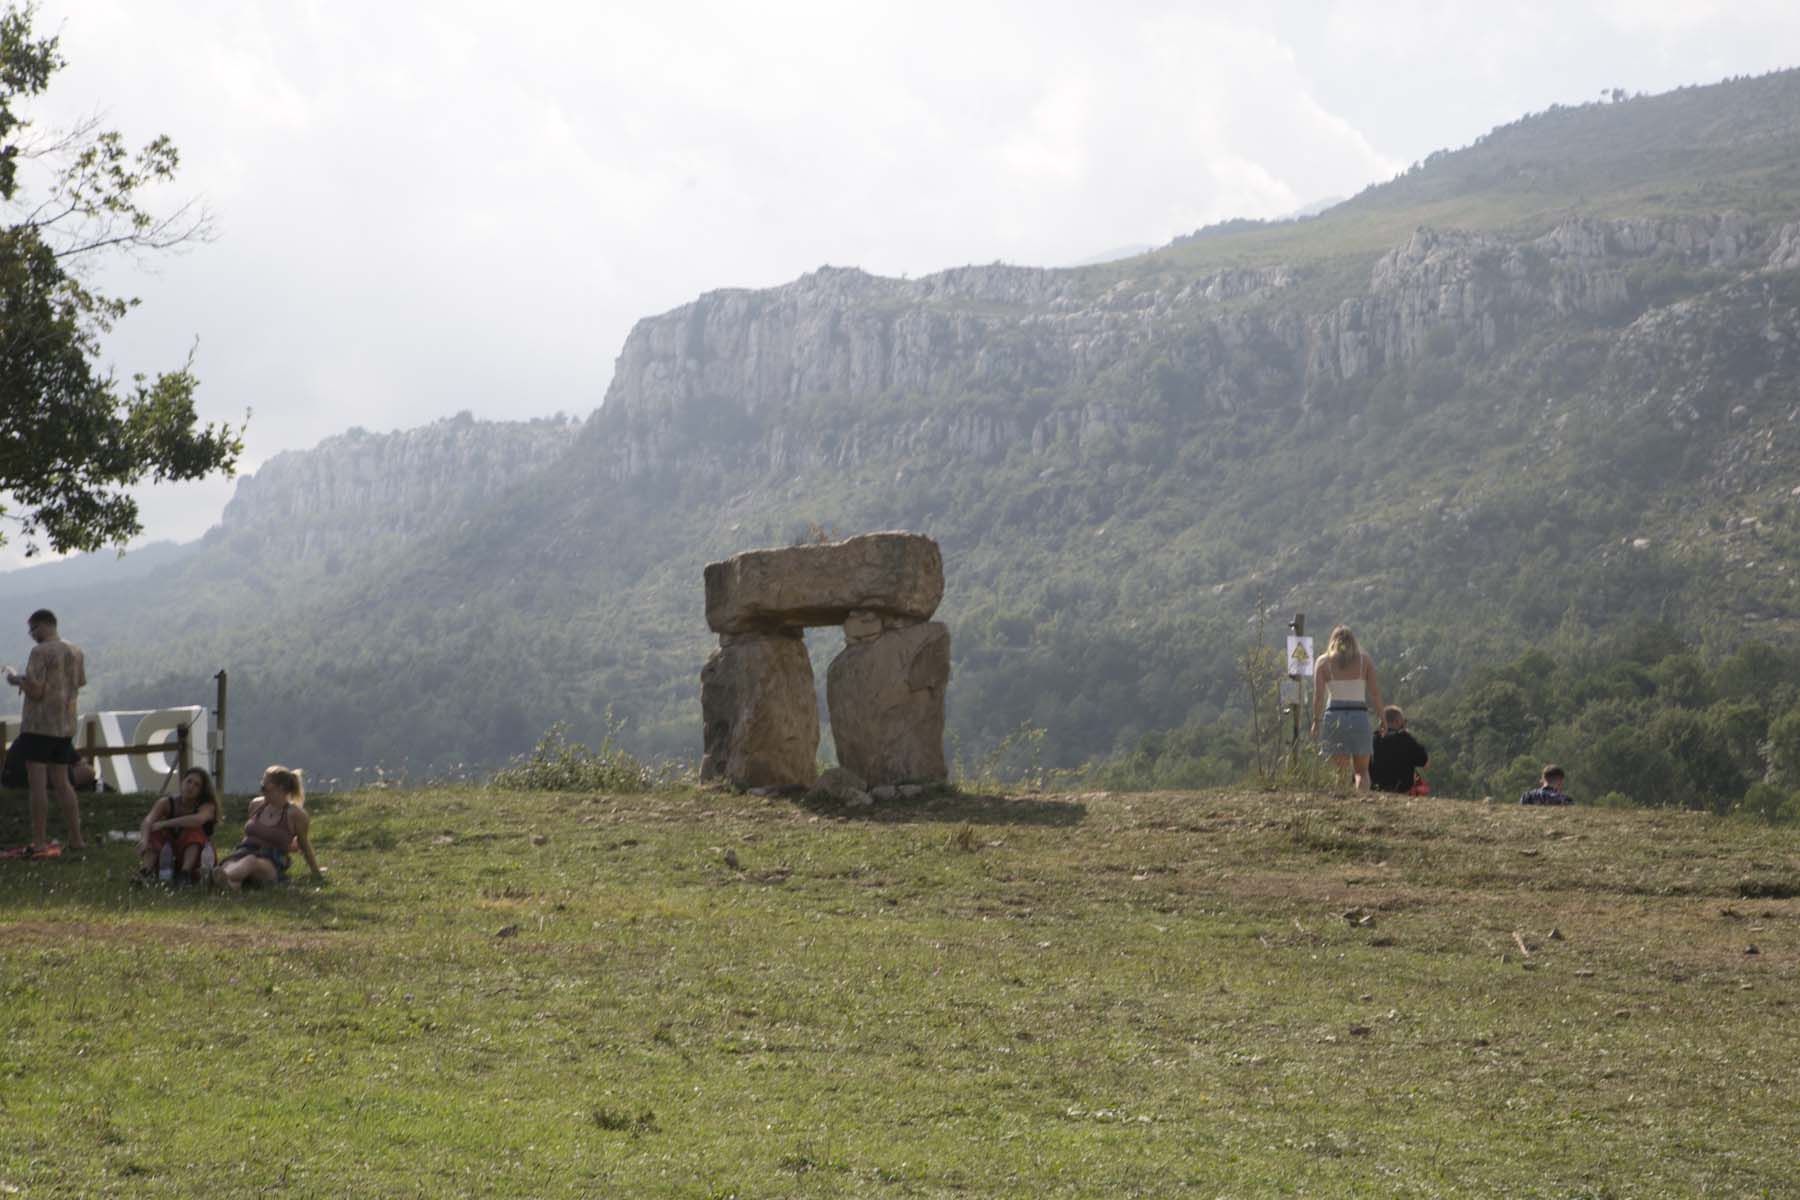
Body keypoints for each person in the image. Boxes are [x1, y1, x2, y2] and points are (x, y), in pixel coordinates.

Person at [3, 609, 88, 856]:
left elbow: (37, 691)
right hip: (65, 726)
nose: (32, 635)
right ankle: (76, 838)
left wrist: (16, 680)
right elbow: (79, 682)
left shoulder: (40, 652)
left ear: (42, 625)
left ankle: (39, 841)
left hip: (39, 726)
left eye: (32, 630)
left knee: (38, 784)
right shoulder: (75, 650)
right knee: (62, 784)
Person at [211, 765, 323, 890]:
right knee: (231, 864)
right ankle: (229, 884)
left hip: (271, 862)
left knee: (251, 861)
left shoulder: (296, 815)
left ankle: (221, 878)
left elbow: (304, 844)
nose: (261, 789)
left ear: (280, 788)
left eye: (265, 786)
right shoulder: (256, 805)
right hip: (244, 851)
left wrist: (315, 872)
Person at [1310, 624, 1385, 791]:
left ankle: (1343, 806)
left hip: (1334, 717)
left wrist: (1316, 721)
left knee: (1340, 772)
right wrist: (1383, 717)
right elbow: (1375, 693)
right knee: (1362, 771)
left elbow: (1318, 696)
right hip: (1359, 717)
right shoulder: (1364, 661)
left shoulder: (1323, 662)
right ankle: (1363, 801)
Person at [137, 766, 220, 885]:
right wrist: (144, 840)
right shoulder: (166, 802)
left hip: (198, 860)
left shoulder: (207, 806)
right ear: (182, 782)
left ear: (201, 791)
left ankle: (184, 874)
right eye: (189, 781)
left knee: (193, 831)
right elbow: (148, 821)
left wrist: (165, 823)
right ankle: (145, 872)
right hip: (169, 856)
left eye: (197, 785)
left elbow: (197, 820)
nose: (191, 787)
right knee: (155, 832)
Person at [1370, 705, 1430, 794]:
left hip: (1375, 788)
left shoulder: (1372, 739)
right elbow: (1425, 761)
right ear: (1398, 721)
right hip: (1401, 788)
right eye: (1404, 721)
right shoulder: (1404, 738)